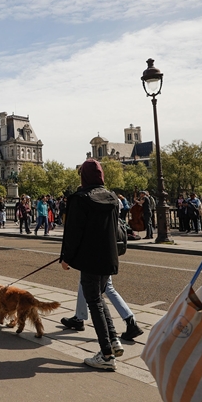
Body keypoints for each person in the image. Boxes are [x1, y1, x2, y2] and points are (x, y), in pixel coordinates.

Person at [60, 159, 121, 371]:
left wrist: (67, 257)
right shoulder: (112, 198)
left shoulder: (80, 198)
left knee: (93, 301)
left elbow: (73, 232)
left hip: (90, 258)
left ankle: (106, 354)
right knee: (98, 298)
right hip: (108, 258)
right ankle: (113, 340)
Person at [60, 276, 143, 341]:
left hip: (95, 259)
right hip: (108, 258)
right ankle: (131, 321)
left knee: (86, 282)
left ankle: (79, 318)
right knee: (107, 287)